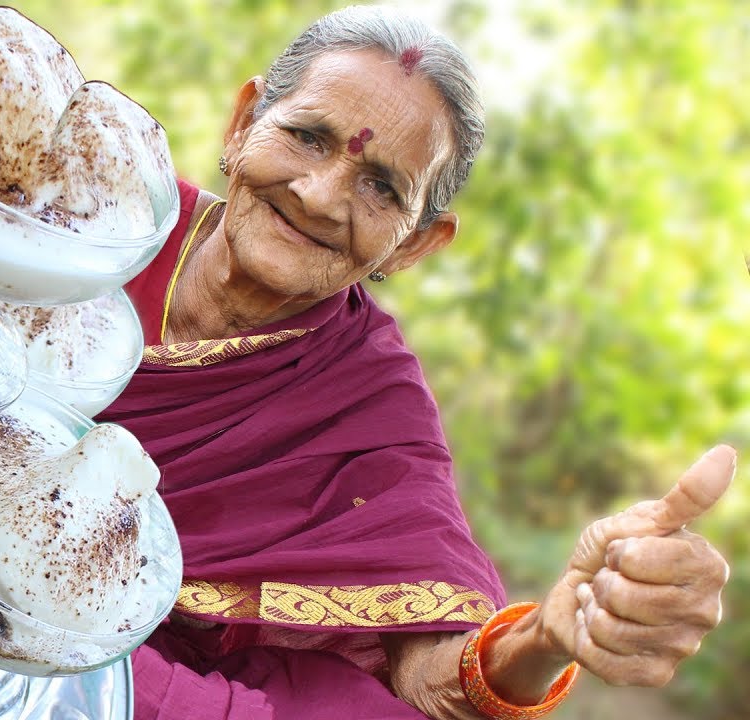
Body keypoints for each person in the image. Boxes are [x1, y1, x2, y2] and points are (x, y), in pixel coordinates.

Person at [96, 5, 733, 718]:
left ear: (414, 245)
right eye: (307, 137)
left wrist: (552, 634)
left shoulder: (370, 400)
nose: (319, 195)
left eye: (382, 187)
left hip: (114, 672)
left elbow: (433, 678)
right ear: (244, 123)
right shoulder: (91, 210)